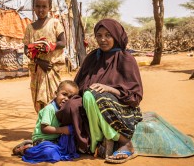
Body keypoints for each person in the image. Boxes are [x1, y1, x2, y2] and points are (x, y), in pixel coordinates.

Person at [56, 18, 143, 164]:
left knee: (94, 96)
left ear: (116, 35)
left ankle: (123, 142)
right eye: (99, 35)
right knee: (70, 106)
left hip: (119, 105)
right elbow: (78, 84)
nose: (103, 39)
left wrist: (109, 89)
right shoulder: (92, 57)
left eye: (108, 35)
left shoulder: (125, 58)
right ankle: (91, 143)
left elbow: (135, 95)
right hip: (89, 100)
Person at [12, 80, 80, 163]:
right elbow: (44, 128)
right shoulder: (50, 109)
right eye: (64, 94)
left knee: (71, 146)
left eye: (70, 97)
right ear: (56, 93)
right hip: (42, 140)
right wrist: (63, 130)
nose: (66, 99)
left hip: (55, 141)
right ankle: (27, 149)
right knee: (50, 153)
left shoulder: (65, 111)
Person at [23, 0, 66, 113]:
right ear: (33, 7)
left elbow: (63, 42)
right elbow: (27, 49)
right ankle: (44, 128)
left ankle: (54, 128)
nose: (41, 10)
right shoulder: (30, 28)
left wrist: (50, 46)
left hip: (52, 69)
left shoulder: (55, 23)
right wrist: (38, 60)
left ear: (49, 7)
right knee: (38, 101)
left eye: (44, 6)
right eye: (37, 6)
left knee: (55, 99)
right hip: (37, 70)